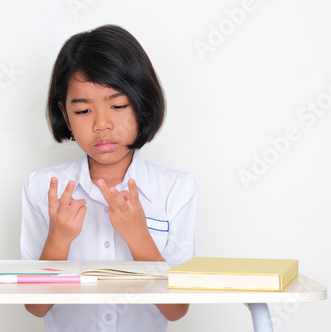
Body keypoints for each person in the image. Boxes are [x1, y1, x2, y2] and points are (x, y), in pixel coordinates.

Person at [20, 24, 198, 332]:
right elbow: (35, 307)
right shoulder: (41, 188)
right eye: (84, 111)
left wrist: (138, 237)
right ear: (65, 115)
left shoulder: (176, 188)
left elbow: (177, 308)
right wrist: (59, 238)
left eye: (117, 105)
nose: (102, 124)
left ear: (141, 105)